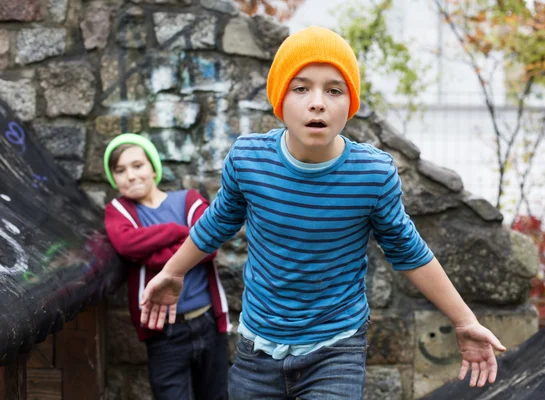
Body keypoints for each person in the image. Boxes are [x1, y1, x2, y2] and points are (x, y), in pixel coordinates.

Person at [139, 26, 507, 399]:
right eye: (301, 88)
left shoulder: (372, 174)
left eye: (334, 89)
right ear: (280, 99)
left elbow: (408, 251)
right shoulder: (249, 159)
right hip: (257, 351)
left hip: (336, 351)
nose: (318, 102)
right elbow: (218, 221)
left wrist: (464, 320)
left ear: (351, 103)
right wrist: (173, 272)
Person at [102, 134, 230, 400]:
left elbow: (209, 247)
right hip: (164, 332)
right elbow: (128, 245)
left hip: (207, 322)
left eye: (138, 165)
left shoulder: (189, 200)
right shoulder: (119, 211)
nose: (131, 175)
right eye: (120, 170)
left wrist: (152, 256)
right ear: (113, 178)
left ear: (153, 167)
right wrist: (179, 233)